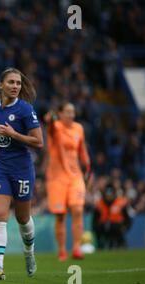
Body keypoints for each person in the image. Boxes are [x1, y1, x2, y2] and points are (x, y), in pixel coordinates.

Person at [0, 67, 43, 280]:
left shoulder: (25, 109)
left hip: (22, 168)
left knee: (23, 217)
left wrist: (14, 133)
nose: (15, 86)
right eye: (11, 82)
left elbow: (39, 142)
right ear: (1, 85)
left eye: (18, 83)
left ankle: (29, 252)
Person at [44, 102, 92, 261]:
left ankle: (77, 248)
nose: (71, 115)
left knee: (77, 209)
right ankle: (62, 250)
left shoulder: (79, 128)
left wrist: (88, 166)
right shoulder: (56, 127)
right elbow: (50, 125)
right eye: (68, 112)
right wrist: (50, 119)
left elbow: (82, 149)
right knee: (60, 215)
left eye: (73, 112)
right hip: (57, 178)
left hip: (75, 175)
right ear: (61, 113)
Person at [92, 183, 132, 249]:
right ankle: (101, 246)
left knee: (117, 231)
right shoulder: (99, 204)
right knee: (101, 231)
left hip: (117, 229)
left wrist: (125, 228)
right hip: (103, 229)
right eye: (107, 195)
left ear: (114, 194)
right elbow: (95, 220)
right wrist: (96, 229)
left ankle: (121, 246)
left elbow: (127, 219)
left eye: (110, 194)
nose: (109, 197)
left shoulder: (121, 203)